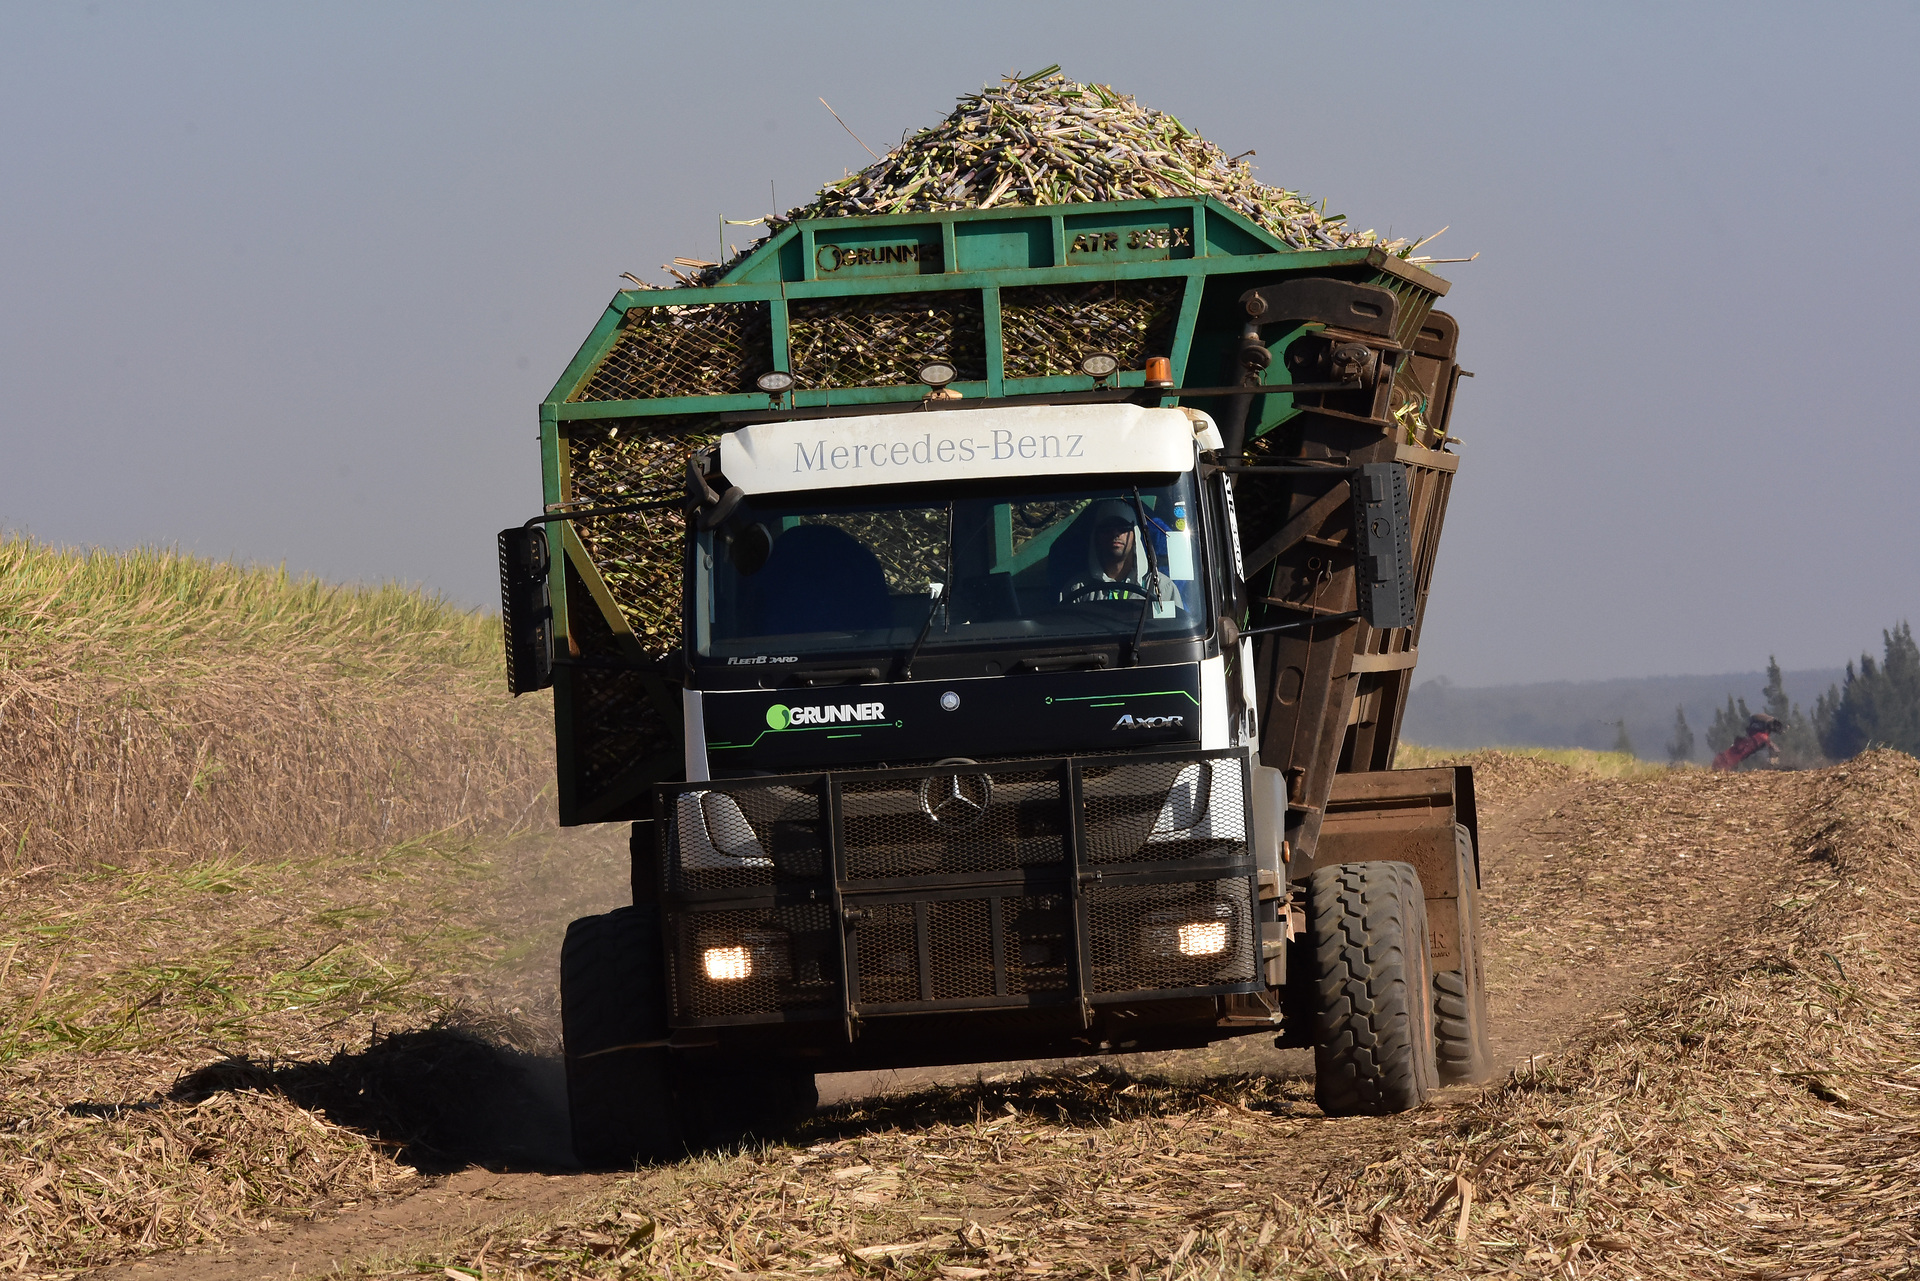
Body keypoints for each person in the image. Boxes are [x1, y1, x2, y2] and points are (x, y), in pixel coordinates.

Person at [1057, 499, 1180, 608]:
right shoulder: (1076, 590)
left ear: (1135, 535)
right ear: (1096, 536)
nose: (1115, 533)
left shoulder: (1161, 588)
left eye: (1123, 527)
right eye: (1107, 528)